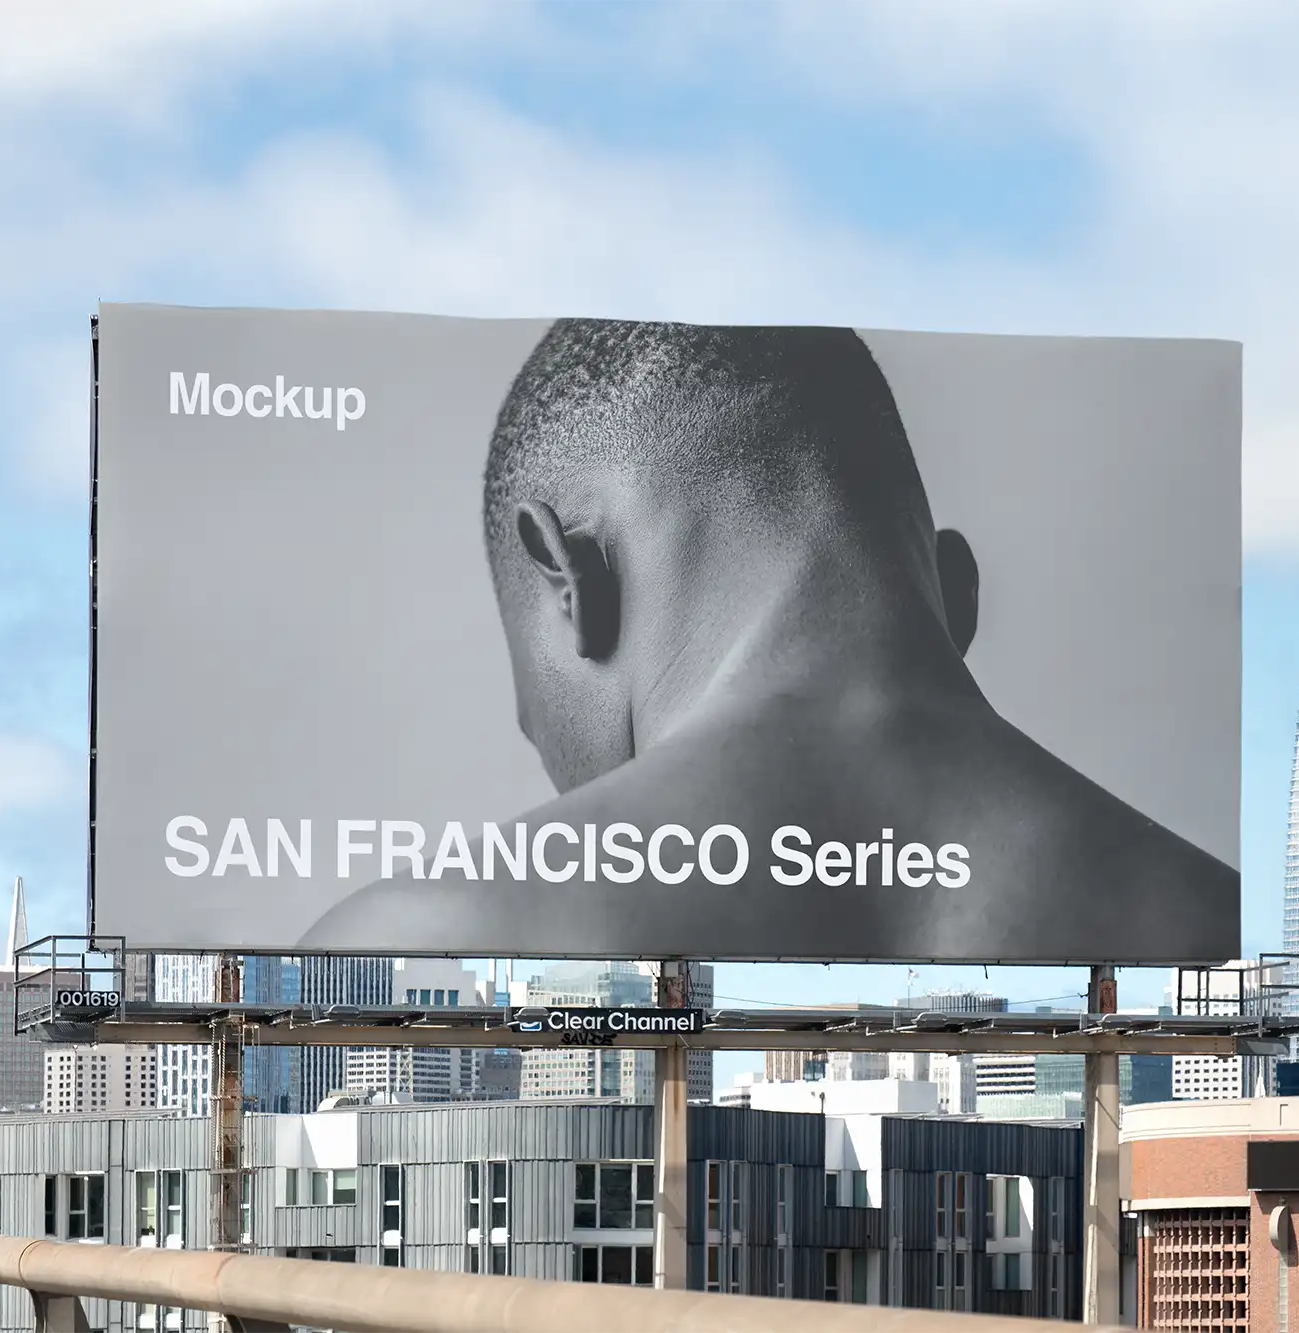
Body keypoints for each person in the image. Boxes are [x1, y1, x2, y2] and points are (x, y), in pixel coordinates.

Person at [299, 319, 1233, 960]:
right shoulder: (1218, 927)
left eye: (533, 723)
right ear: (956, 596)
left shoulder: (409, 940)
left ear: (568, 576)